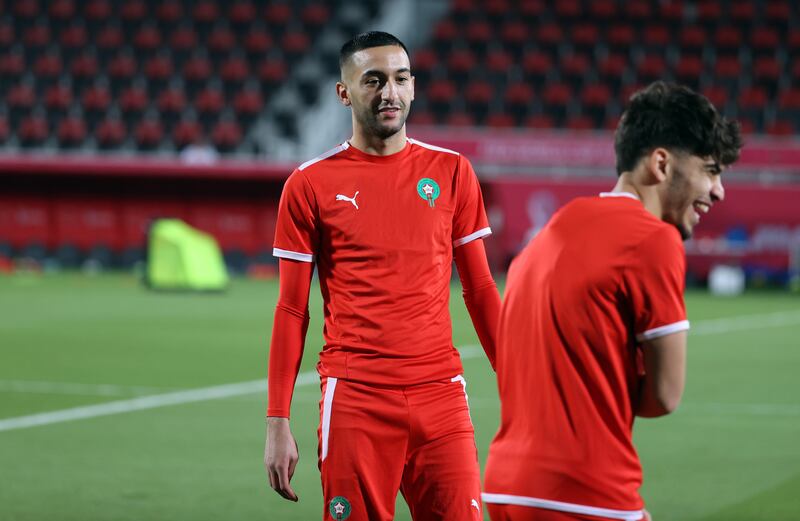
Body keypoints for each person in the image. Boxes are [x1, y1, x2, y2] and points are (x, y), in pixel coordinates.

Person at [264, 31, 501, 521]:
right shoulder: (309, 184)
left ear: (413, 87)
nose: (389, 92)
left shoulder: (453, 171)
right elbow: (292, 309)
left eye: (400, 78)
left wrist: (517, 384)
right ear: (344, 92)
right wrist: (277, 421)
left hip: (441, 395)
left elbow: (479, 290)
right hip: (356, 398)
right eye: (373, 80)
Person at [482, 82, 743, 521]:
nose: (719, 191)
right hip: (585, 492)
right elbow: (663, 395)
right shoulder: (652, 240)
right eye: (711, 170)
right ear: (661, 163)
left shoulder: (542, 238)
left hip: (506, 488)